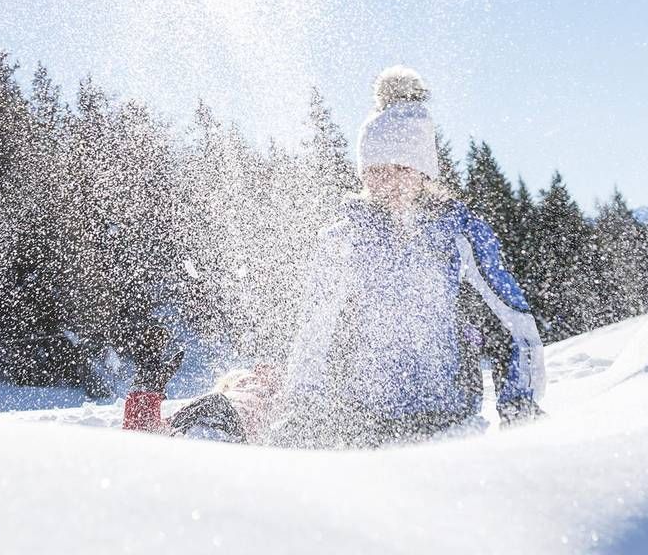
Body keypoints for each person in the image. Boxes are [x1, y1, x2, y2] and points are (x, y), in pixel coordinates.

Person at [280, 66, 546, 448]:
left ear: (423, 171)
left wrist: (519, 403)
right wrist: (304, 410)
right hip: (364, 423)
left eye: (401, 168)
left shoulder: (458, 233)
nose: (387, 181)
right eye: (375, 170)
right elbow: (315, 332)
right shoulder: (344, 239)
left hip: (451, 419)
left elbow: (512, 321)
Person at [121, 324, 281, 443]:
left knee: (216, 401)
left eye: (272, 371)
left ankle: (146, 424)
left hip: (239, 430)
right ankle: (145, 394)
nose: (265, 369)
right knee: (215, 401)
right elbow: (222, 390)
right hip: (225, 416)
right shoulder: (239, 378)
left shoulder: (275, 395)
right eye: (263, 368)